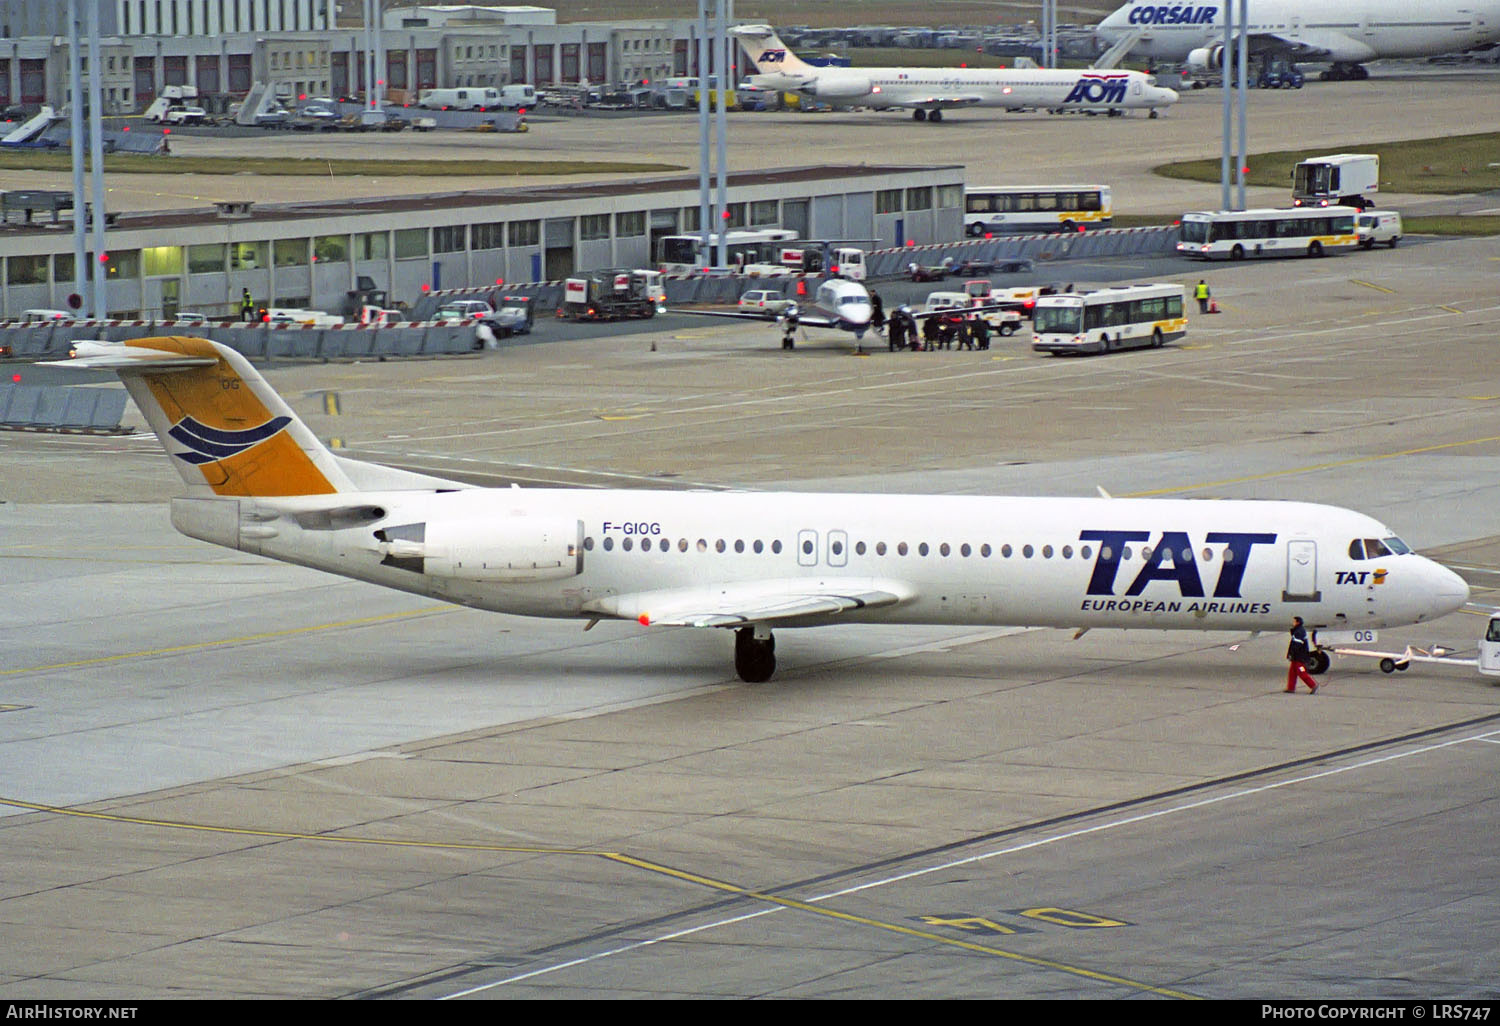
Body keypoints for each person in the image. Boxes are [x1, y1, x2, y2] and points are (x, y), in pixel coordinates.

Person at [1285, 615, 1319, 694]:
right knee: (1292, 673)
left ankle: (1313, 685)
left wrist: (1291, 654)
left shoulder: (1299, 632)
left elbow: (1296, 645)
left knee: (1301, 672)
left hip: (1299, 657)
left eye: (1294, 621)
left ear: (1298, 622)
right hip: (1296, 657)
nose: (1293, 623)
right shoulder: (1297, 631)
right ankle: (1291, 688)